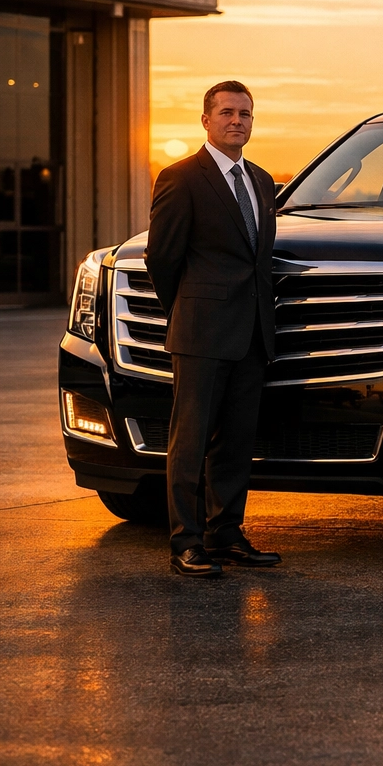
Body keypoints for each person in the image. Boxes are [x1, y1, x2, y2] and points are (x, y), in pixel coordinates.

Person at [145, 80, 281, 577]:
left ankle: (226, 534)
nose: (236, 121)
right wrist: (187, 307)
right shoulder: (181, 178)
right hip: (201, 331)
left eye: (245, 114)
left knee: (237, 440)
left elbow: (258, 261)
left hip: (251, 333)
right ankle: (187, 541)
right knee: (190, 440)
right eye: (226, 113)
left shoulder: (263, 181)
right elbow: (162, 258)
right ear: (206, 121)